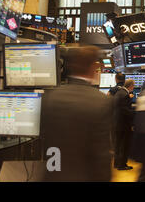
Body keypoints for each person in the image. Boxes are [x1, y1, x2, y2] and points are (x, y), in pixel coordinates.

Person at [41, 46, 112, 181]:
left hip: (53, 175)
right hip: (83, 176)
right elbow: (101, 154)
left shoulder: (51, 97)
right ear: (93, 67)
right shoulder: (100, 101)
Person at [113, 79, 135, 170]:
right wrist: (136, 113)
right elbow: (126, 111)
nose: (133, 88)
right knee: (124, 145)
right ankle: (122, 165)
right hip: (123, 125)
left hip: (117, 123)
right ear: (130, 86)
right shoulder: (125, 95)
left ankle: (117, 163)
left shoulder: (119, 92)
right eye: (133, 86)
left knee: (118, 145)